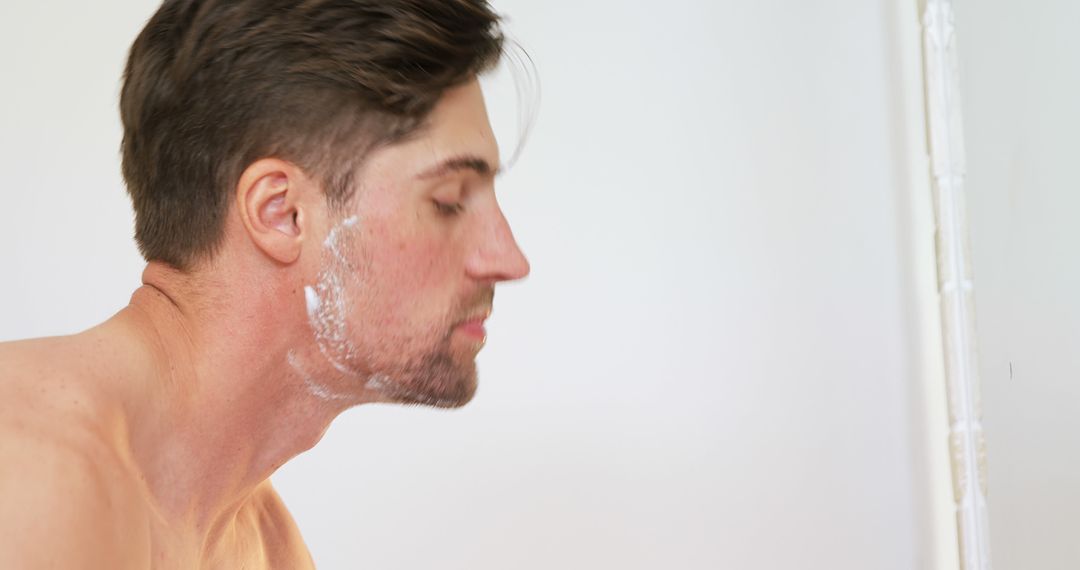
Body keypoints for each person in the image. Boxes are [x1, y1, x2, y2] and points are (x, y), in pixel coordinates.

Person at [0, 0, 530, 567]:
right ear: (282, 213)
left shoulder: (269, 551)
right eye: (448, 202)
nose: (509, 259)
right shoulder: (31, 467)